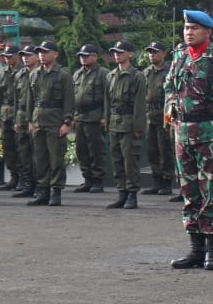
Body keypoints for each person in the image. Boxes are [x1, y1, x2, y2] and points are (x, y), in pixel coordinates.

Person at [166, 10, 213, 270]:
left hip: (209, 131)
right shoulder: (178, 57)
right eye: (187, 28)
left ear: (208, 32)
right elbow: (170, 88)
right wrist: (171, 115)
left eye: (195, 28)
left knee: (210, 190)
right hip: (183, 131)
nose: (189, 32)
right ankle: (195, 250)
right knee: (188, 191)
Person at [28, 40, 75, 207]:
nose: (41, 55)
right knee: (39, 159)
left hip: (55, 120)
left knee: (55, 159)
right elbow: (30, 100)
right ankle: (43, 190)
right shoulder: (34, 74)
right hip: (38, 119)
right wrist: (30, 120)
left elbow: (69, 100)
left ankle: (56, 191)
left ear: (55, 54)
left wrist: (67, 122)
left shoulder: (63, 75)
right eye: (40, 52)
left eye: (45, 52)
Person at [104, 40, 146, 210]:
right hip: (114, 123)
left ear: (130, 54)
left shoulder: (137, 76)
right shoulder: (110, 76)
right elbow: (107, 102)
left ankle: (132, 195)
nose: (117, 54)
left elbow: (139, 104)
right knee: (117, 161)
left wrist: (137, 128)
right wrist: (107, 122)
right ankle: (121, 193)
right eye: (115, 52)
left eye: (121, 52)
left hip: (129, 124)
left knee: (130, 162)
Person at [71, 43, 108, 193]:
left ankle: (98, 180)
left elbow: (108, 97)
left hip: (95, 115)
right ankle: (87, 179)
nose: (83, 58)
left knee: (96, 149)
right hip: (80, 116)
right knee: (81, 150)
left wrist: (105, 116)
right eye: (81, 56)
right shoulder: (77, 74)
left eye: (86, 56)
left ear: (95, 56)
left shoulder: (103, 73)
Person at [142, 42, 175, 197]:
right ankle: (156, 181)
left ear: (163, 54)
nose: (152, 55)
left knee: (165, 149)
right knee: (152, 150)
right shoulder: (146, 73)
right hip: (149, 114)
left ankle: (167, 182)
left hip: (165, 113)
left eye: (155, 52)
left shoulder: (170, 71)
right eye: (150, 52)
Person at [11, 45, 39, 199]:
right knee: (24, 153)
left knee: (38, 154)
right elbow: (16, 100)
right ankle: (29, 184)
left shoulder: (40, 74)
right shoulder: (19, 75)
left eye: (29, 55)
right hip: (21, 117)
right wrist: (16, 119)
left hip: (37, 117)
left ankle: (40, 184)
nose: (25, 58)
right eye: (23, 55)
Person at [0, 45, 22, 192]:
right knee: (8, 146)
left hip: (18, 112)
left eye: (10, 56)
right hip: (6, 113)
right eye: (5, 56)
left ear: (17, 55)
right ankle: (14, 176)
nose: (8, 59)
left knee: (21, 147)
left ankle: (24, 177)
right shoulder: (2, 74)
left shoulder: (23, 72)